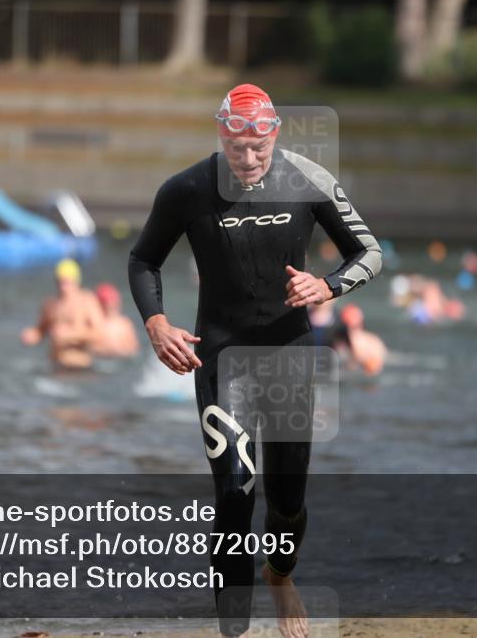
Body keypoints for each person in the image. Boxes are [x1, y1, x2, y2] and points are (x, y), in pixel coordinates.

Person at [128, 84, 382, 638]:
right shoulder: (187, 189)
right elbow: (143, 259)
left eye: (258, 151)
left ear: (274, 137)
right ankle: (233, 631)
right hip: (223, 359)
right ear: (223, 135)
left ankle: (280, 574)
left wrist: (327, 285)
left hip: (290, 355)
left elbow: (370, 252)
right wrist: (156, 323)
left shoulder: (308, 180)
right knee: (234, 494)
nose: (247, 161)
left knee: (288, 502)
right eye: (237, 149)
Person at [20, 258, 105, 371]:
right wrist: (33, 335)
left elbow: (100, 334)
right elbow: (41, 330)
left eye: (67, 282)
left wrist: (70, 335)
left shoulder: (87, 301)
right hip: (56, 367)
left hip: (81, 367)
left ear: (76, 281)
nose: (63, 287)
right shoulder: (50, 305)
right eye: (59, 282)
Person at [88, 282, 140, 358]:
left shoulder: (124, 323)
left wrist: (119, 350)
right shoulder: (96, 323)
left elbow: (134, 348)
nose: (111, 306)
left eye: (113, 303)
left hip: (120, 360)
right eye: (108, 304)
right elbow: (90, 347)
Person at [337, 304, 387, 376]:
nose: (351, 331)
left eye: (353, 327)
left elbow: (378, 363)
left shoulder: (373, 342)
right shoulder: (340, 342)